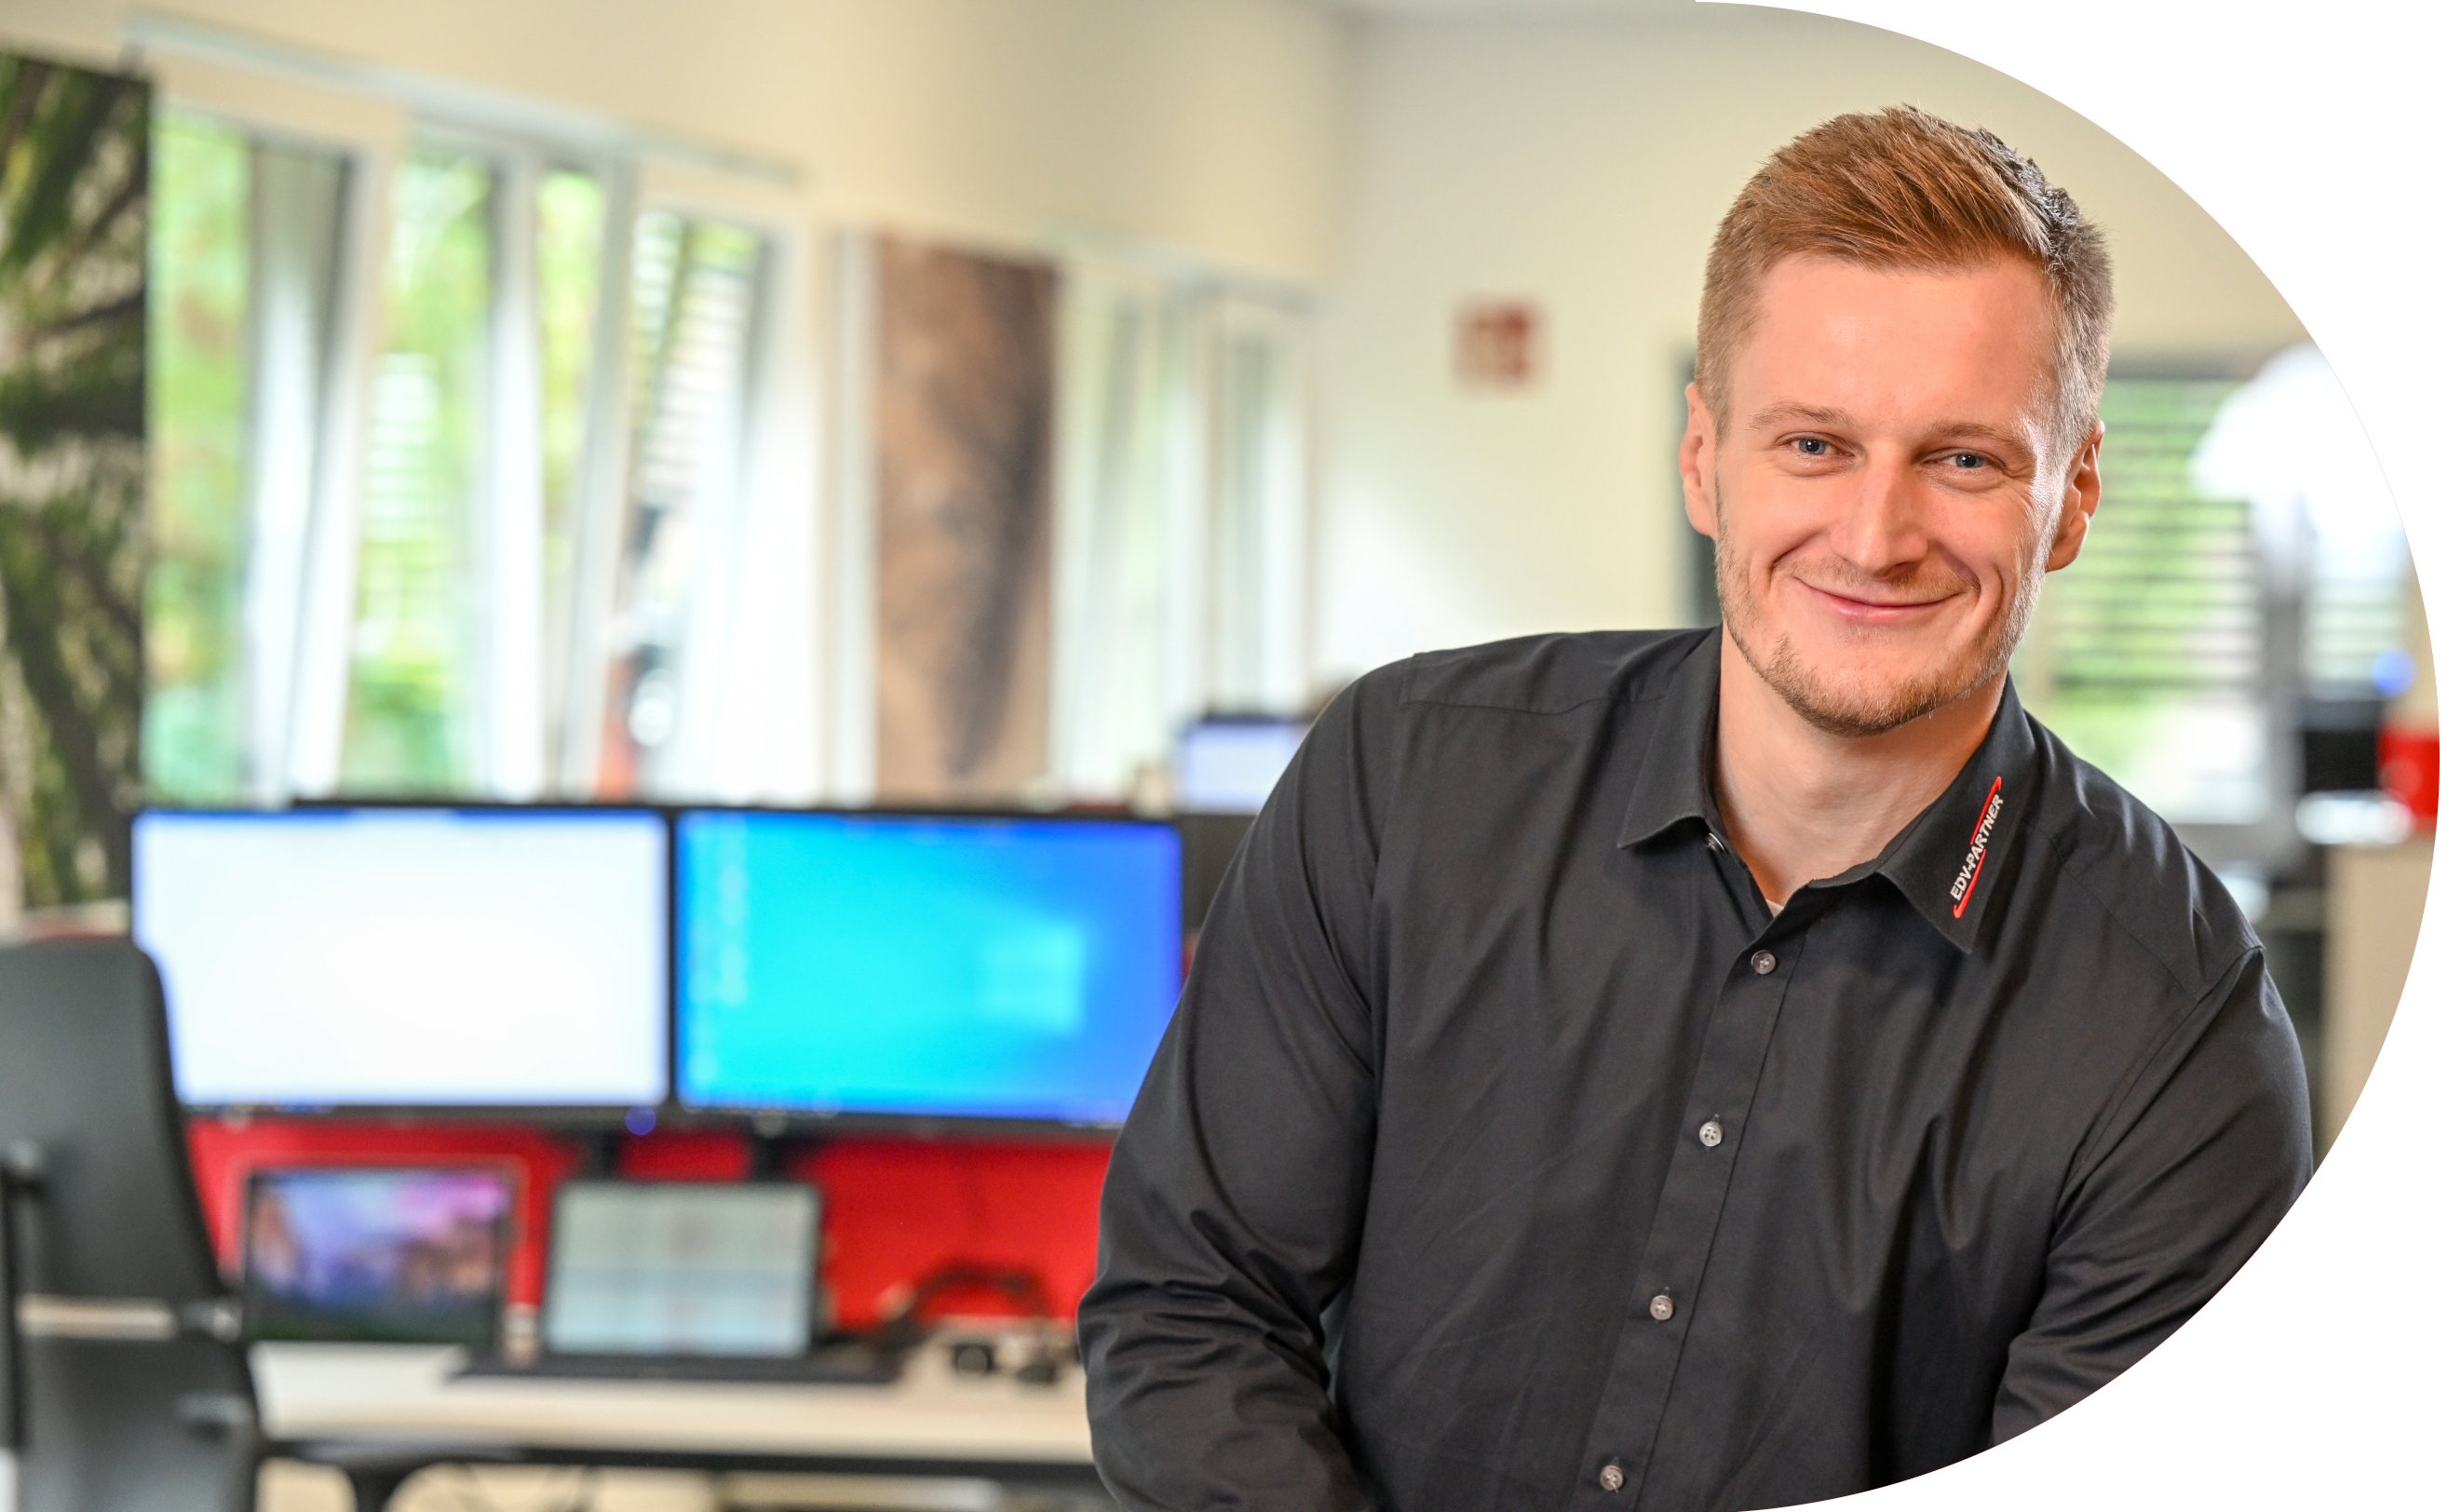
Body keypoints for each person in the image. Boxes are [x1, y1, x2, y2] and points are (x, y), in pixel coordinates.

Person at [1077, 105, 2312, 1511]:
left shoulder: (2176, 1033)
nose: (1874, 538)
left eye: (1964, 458)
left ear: (2074, 493)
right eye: (1813, 444)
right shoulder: (1402, 782)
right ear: (1701, 458)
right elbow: (1189, 1314)